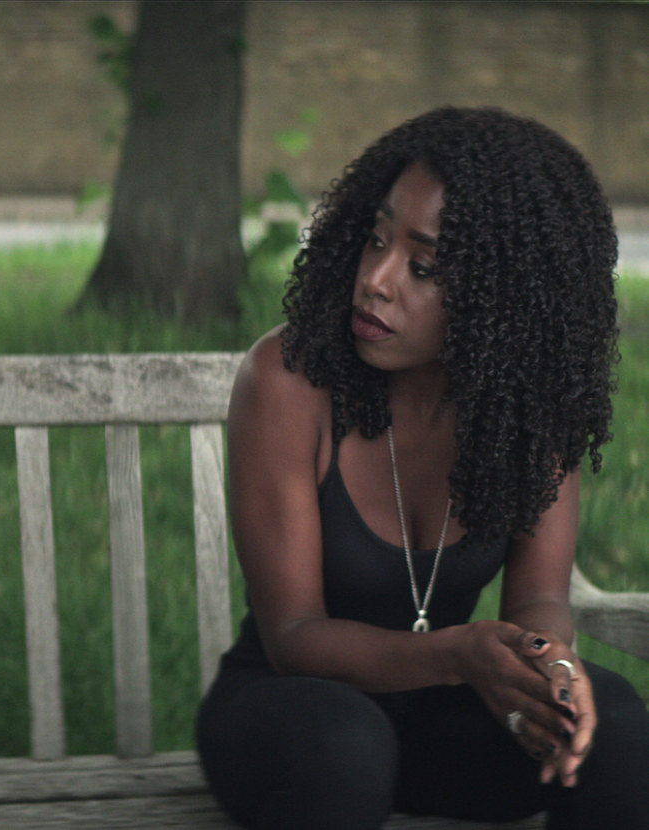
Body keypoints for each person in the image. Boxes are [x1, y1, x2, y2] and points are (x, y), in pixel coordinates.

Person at [196, 106, 649, 829]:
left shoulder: (531, 410)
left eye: (424, 266)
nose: (374, 280)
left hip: (440, 722)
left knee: (615, 724)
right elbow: (295, 637)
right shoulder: (288, 381)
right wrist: (461, 655)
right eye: (375, 239)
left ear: (502, 294)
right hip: (292, 714)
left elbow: (536, 599)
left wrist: (547, 669)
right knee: (347, 747)